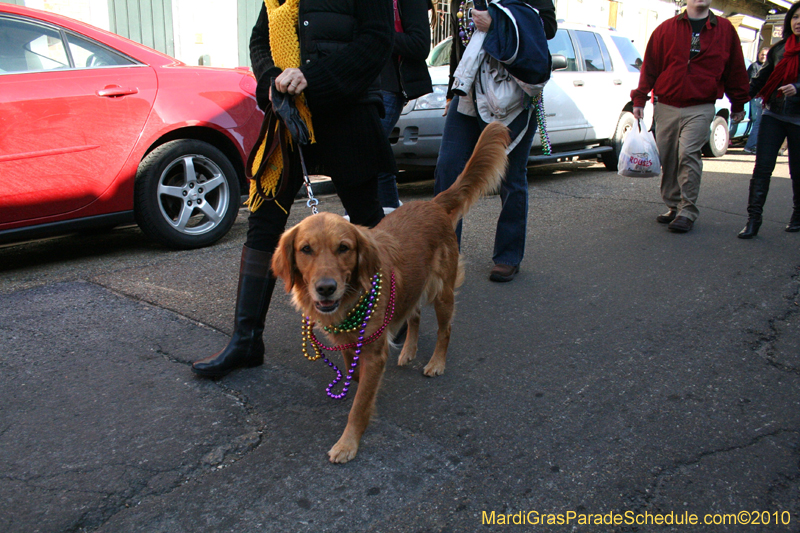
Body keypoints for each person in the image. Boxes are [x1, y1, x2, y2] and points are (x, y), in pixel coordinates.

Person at [192, 0, 395, 378]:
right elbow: (260, 39)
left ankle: (374, 331)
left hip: (348, 113)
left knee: (367, 225)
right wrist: (273, 79)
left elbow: (377, 41)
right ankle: (246, 340)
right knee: (263, 221)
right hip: (287, 115)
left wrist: (311, 77)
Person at [433, 0, 557, 283]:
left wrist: (498, 24)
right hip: (468, 91)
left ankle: (508, 256)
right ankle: (445, 256)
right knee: (448, 168)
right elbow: (461, 43)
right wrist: (453, 89)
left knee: (511, 176)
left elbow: (547, 27)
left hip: (512, 93)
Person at [631, 0, 749, 234]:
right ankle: (673, 205)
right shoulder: (666, 29)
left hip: (700, 105)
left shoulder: (725, 29)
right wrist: (640, 99)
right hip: (666, 104)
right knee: (669, 157)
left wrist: (738, 103)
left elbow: (735, 68)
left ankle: (687, 211)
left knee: (688, 153)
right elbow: (651, 67)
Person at [738, 1, 800, 238]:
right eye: (795, 17)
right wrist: (740, 99)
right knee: (762, 169)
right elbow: (761, 79)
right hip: (773, 114)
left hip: (798, 119)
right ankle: (753, 220)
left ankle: (798, 214)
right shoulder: (778, 50)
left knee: (797, 171)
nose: (798, 22)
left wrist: (798, 88)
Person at [376, 0, 434, 210]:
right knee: (374, 157)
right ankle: (389, 217)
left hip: (389, 86)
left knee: (369, 154)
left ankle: (371, 217)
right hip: (363, 83)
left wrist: (374, 36)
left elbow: (420, 44)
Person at [742, 47, 769, 155]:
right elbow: (752, 82)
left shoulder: (768, 66)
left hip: (762, 97)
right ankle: (751, 145)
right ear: (758, 54)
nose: (763, 56)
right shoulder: (754, 66)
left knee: (758, 122)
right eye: (762, 54)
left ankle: (753, 145)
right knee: (758, 122)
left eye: (766, 55)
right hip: (758, 97)